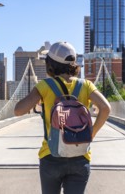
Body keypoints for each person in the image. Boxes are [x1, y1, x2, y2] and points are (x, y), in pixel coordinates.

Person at [14, 41, 111, 194]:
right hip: (80, 154)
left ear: (50, 64)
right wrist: (91, 134)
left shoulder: (45, 86)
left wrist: (38, 95)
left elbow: (18, 111)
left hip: (51, 155)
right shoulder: (85, 85)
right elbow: (106, 108)